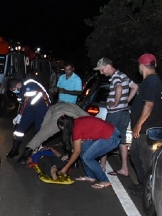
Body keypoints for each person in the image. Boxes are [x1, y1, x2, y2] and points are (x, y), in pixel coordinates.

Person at [93, 57, 139, 177]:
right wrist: (126, 101)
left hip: (115, 113)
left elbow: (118, 88)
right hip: (124, 113)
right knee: (122, 141)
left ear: (108, 66)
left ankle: (102, 165)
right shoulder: (123, 75)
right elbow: (135, 87)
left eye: (102, 70)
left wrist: (116, 102)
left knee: (106, 137)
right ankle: (124, 168)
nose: (101, 73)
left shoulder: (115, 76)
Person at [128, 54, 162, 195]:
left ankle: (151, 192)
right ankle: (143, 185)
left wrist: (138, 125)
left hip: (147, 128)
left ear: (141, 66)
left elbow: (149, 105)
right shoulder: (149, 81)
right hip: (144, 129)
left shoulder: (152, 81)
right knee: (135, 155)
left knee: (146, 160)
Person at [57, 115, 121, 189]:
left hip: (112, 137)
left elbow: (77, 151)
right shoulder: (75, 122)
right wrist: (69, 155)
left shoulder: (76, 129)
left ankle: (105, 180)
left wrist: (66, 167)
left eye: (63, 129)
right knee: (83, 149)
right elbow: (78, 148)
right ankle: (90, 176)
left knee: (87, 157)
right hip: (105, 135)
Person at [17, 102, 90, 164]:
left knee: (42, 134)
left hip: (65, 113)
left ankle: (25, 155)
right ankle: (25, 155)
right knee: (42, 134)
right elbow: (89, 118)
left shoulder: (55, 107)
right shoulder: (71, 108)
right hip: (62, 115)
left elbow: (90, 119)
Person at [6, 78, 51, 159]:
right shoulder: (20, 90)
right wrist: (18, 115)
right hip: (30, 110)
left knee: (38, 131)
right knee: (19, 130)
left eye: (14, 90)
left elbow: (27, 103)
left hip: (42, 109)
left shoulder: (30, 84)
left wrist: (20, 115)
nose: (14, 92)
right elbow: (21, 103)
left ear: (18, 84)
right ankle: (15, 149)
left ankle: (36, 151)